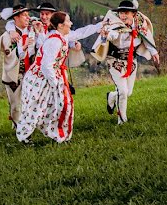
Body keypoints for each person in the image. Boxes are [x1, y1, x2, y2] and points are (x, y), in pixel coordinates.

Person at [16, 12, 103, 143]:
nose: (71, 23)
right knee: (35, 108)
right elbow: (46, 66)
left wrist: (100, 25)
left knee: (61, 105)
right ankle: (24, 137)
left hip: (50, 77)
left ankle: (60, 135)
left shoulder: (62, 36)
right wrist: (55, 83)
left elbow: (81, 32)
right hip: (39, 79)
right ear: (61, 25)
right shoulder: (54, 41)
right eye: (68, 21)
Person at [92, 0, 160, 124]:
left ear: (133, 14)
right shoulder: (113, 23)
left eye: (126, 13)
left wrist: (154, 52)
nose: (122, 16)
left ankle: (112, 96)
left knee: (128, 92)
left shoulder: (139, 23)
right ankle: (122, 120)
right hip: (115, 60)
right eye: (121, 13)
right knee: (122, 92)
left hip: (131, 61)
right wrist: (108, 35)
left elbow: (147, 37)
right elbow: (112, 34)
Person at [0, 5, 36, 130]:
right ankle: (18, 127)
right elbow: (9, 55)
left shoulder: (32, 32)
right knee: (16, 105)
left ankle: (27, 126)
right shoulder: (7, 36)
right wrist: (22, 47)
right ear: (16, 18)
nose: (28, 17)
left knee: (30, 102)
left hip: (30, 74)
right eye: (24, 15)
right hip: (14, 75)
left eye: (28, 14)